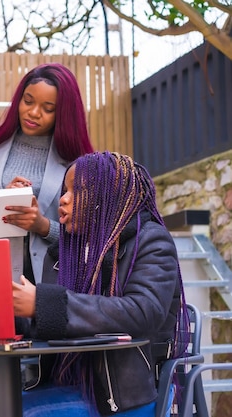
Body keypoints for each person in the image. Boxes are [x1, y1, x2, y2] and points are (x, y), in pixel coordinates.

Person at [0, 62, 94, 416]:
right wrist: (2, 202)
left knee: (47, 392)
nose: (34, 113)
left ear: (64, 114)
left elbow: (84, 234)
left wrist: (42, 224)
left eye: (48, 108)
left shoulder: (77, 162)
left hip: (48, 288)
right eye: (28, 101)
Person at [12, 151, 190, 416]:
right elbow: (53, 319)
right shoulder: (63, 255)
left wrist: (41, 304)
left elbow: (143, 311)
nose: (63, 198)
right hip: (69, 386)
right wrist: (12, 313)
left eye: (77, 190)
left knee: (11, 410)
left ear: (108, 195)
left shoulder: (151, 242)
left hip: (127, 396)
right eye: (65, 190)